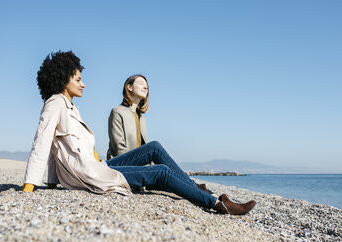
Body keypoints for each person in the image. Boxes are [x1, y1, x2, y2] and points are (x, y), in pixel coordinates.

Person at [22, 50, 256, 216]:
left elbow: (56, 149)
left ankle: (196, 189)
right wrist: (30, 185)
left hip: (99, 166)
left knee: (153, 147)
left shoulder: (70, 106)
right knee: (162, 172)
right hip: (91, 174)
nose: (83, 84)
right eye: (78, 79)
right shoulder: (55, 103)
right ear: (63, 80)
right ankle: (217, 203)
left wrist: (52, 183)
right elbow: (43, 142)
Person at [107, 74, 149, 160]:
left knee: (163, 168)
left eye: (146, 86)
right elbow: (119, 149)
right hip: (122, 163)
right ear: (129, 87)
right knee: (155, 147)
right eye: (141, 83)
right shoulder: (117, 112)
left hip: (139, 164)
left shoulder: (141, 118)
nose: (145, 87)